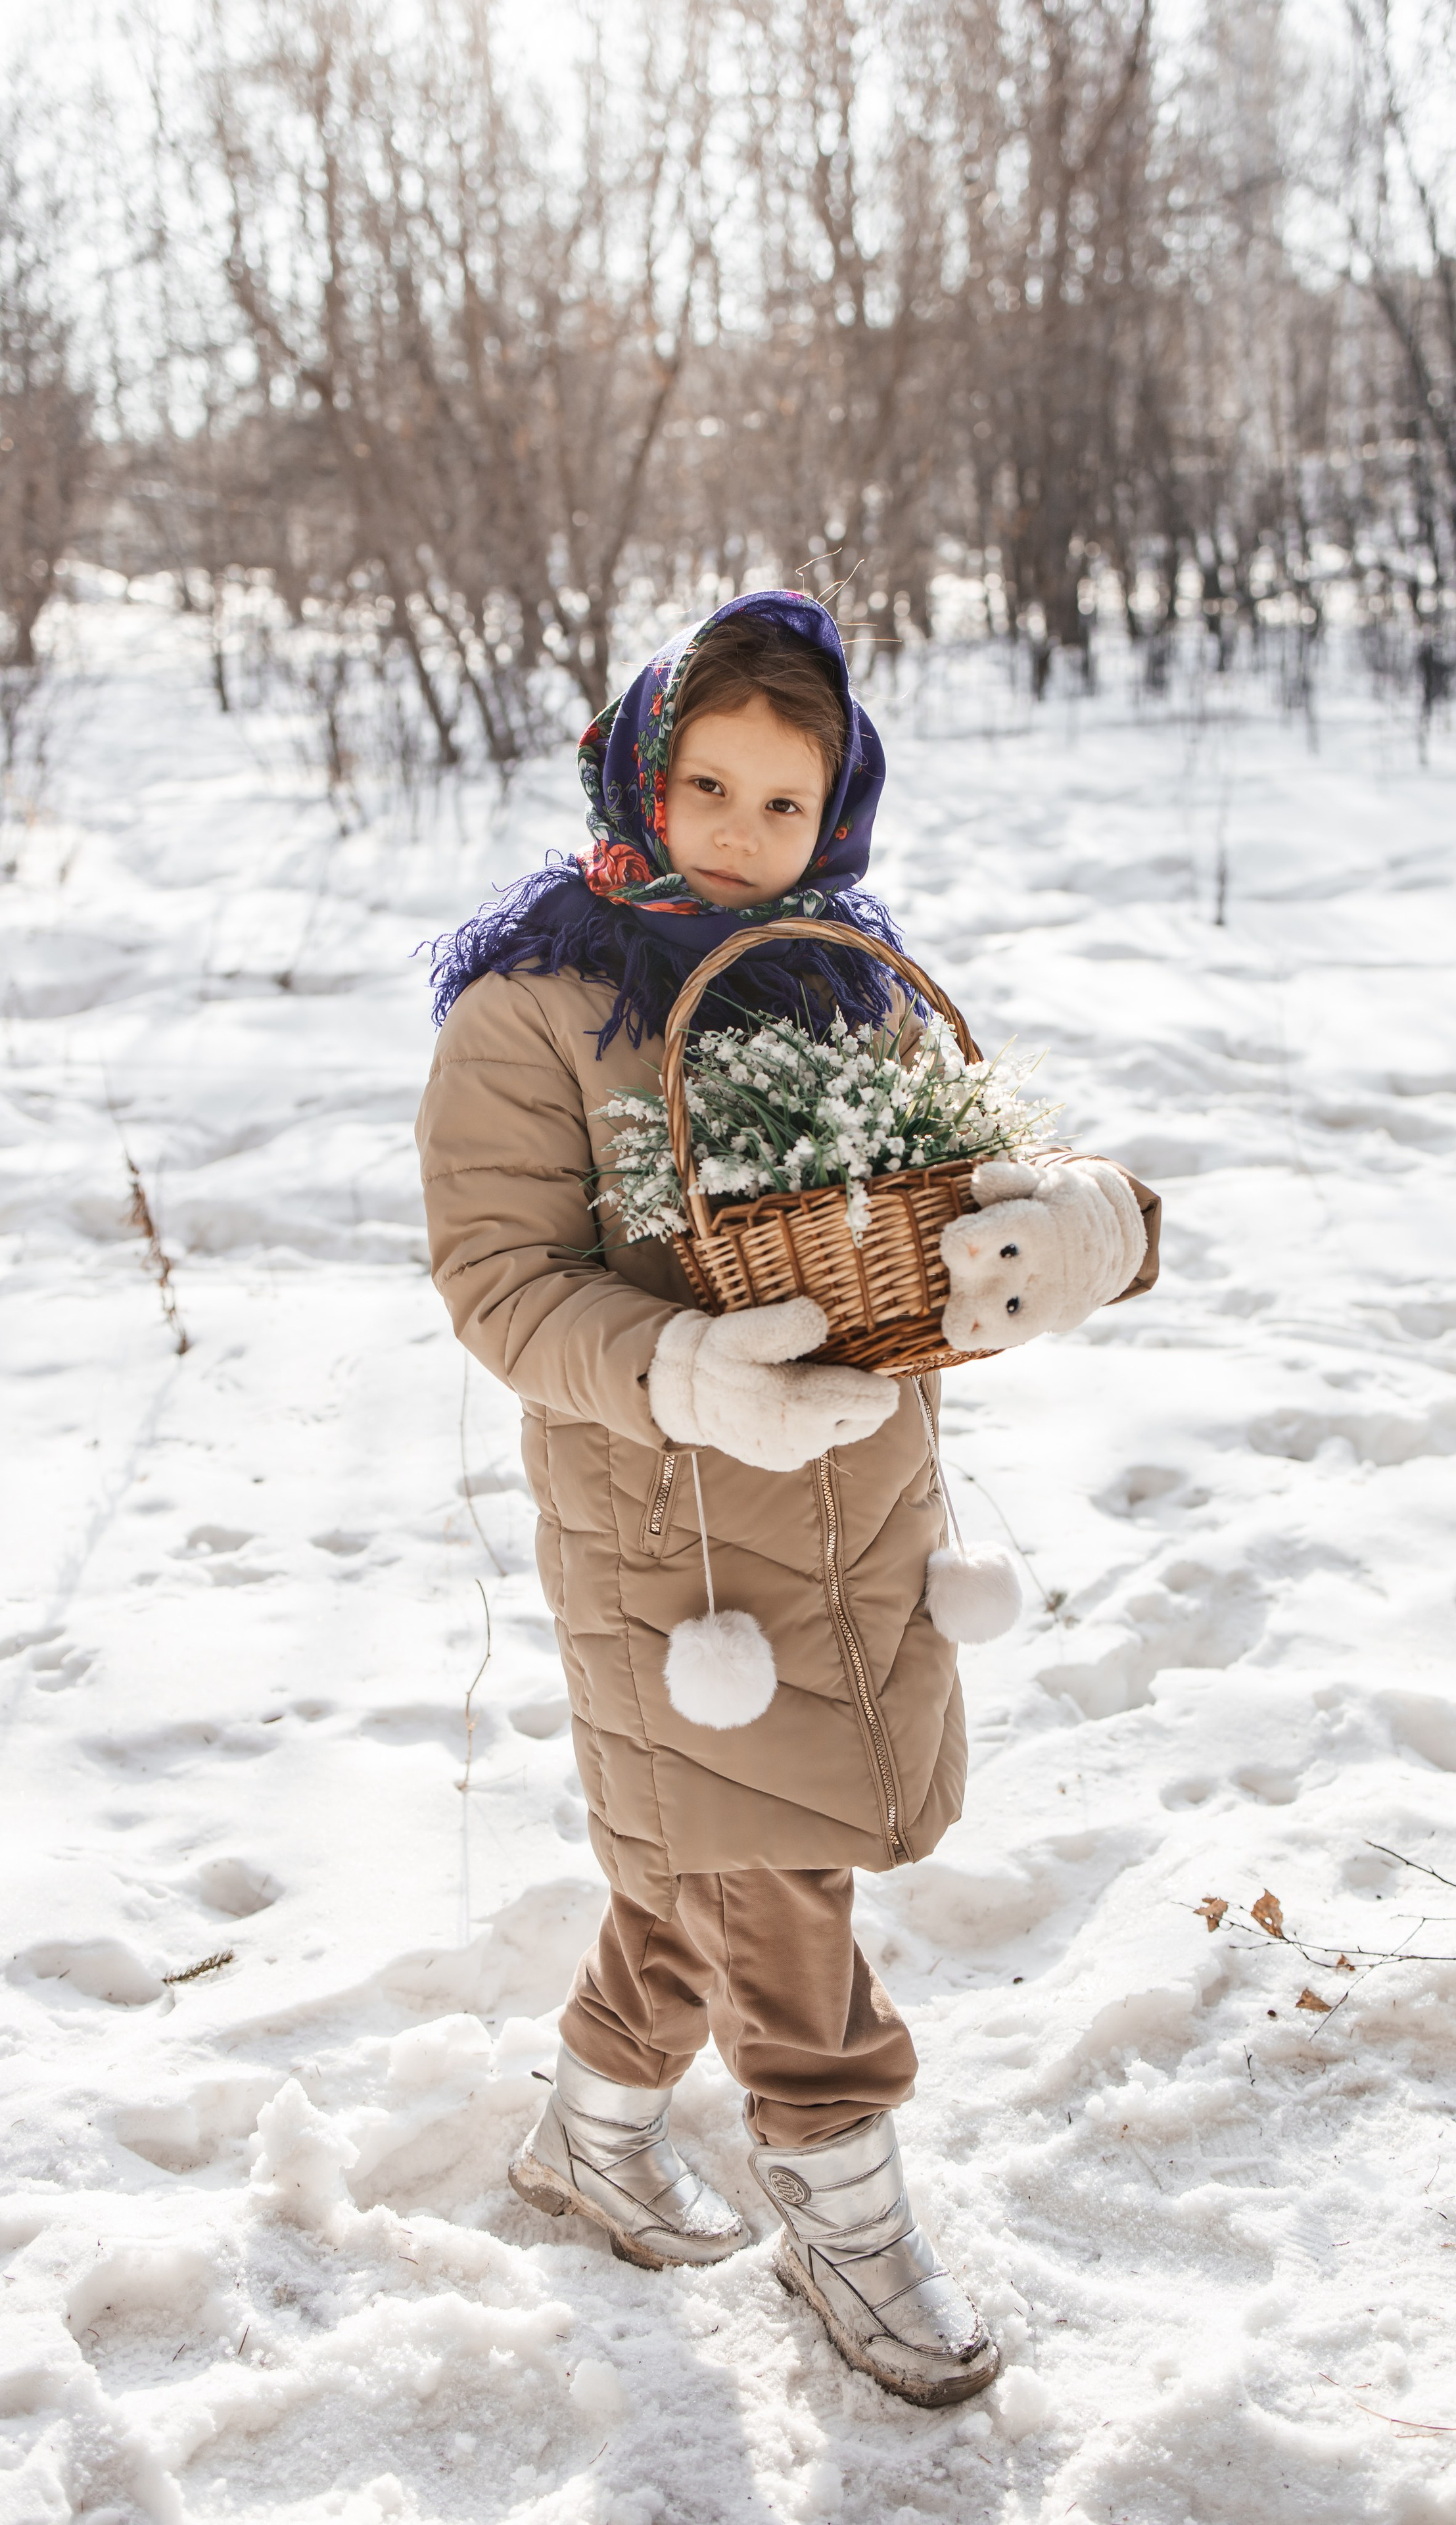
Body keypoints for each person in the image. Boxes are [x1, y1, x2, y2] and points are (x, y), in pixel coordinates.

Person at [415, 589, 1160, 2407]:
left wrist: (1082, 1228)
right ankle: (846, 2207)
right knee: (779, 1878)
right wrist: (677, 1367)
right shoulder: (538, 1008)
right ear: (638, 771)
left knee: (708, 1864)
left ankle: (591, 2133)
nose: (743, 835)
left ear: (837, 813)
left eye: (784, 803)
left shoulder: (852, 982)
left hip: (860, 1507)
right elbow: (498, 1280)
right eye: (709, 787)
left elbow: (976, 1177)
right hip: (668, 1540)